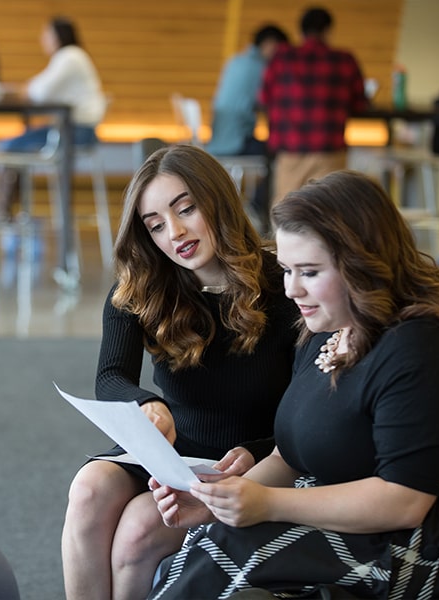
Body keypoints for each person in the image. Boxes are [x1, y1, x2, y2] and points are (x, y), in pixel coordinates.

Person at [149, 170, 439, 599]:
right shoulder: (325, 328)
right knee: (212, 542)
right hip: (363, 500)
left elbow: (406, 500)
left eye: (310, 271)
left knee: (232, 557)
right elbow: (290, 454)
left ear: (362, 263)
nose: (292, 288)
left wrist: (266, 504)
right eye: (285, 269)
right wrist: (217, 502)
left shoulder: (423, 343)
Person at [61, 145, 299, 600]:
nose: (175, 233)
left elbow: (306, 410)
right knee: (89, 489)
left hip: (253, 459)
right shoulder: (144, 287)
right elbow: (110, 377)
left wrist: (255, 452)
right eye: (155, 225)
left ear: (217, 200)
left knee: (136, 531)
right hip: (171, 451)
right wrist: (147, 405)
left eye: (185, 209)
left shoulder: (284, 285)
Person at [259, 7, 367, 209]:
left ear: (300, 32)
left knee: (285, 210)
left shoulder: (281, 58)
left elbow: (264, 97)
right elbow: (359, 102)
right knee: (329, 211)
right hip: (328, 149)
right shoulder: (344, 60)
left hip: (289, 148)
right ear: (328, 31)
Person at [0, 16, 106, 217]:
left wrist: (15, 91)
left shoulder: (70, 56)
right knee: (16, 146)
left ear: (57, 36)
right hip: (77, 130)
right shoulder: (72, 57)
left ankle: (6, 213)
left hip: (76, 131)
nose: (42, 39)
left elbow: (39, 91)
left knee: (9, 146)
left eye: (46, 34)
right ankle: (11, 212)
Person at [206, 25, 288, 158]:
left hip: (217, 142)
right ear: (269, 43)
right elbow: (269, 107)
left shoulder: (235, 61)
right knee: (280, 154)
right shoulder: (261, 68)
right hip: (237, 144)